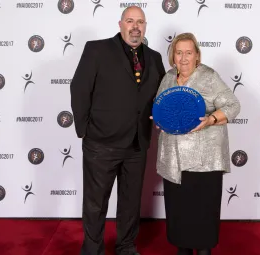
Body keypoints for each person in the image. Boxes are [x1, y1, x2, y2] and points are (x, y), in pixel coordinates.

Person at [70, 6, 165, 255]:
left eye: (140, 22)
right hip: (101, 143)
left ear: (145, 26)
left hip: (137, 144)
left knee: (130, 203)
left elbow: (162, 96)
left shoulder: (154, 57)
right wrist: (85, 131)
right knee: (95, 203)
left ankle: (126, 247)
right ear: (120, 23)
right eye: (130, 21)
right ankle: (92, 250)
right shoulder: (97, 49)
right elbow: (79, 89)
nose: (136, 26)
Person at [153, 33, 241, 255]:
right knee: (179, 217)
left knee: (202, 217)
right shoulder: (168, 77)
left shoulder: (209, 77)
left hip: (205, 163)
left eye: (188, 53)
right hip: (174, 161)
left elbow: (233, 105)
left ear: (197, 56)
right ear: (173, 55)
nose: (183, 58)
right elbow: (160, 106)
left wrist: (211, 119)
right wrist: (160, 121)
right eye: (179, 52)